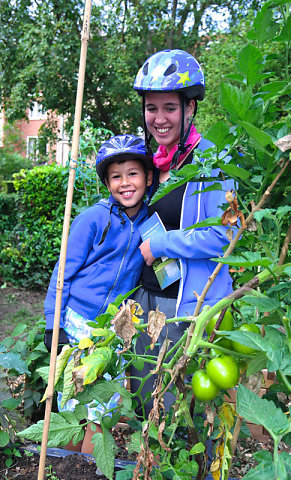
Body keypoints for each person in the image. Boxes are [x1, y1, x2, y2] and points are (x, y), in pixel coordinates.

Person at [129, 49, 234, 416]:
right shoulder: (150, 162)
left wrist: (162, 243)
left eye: (169, 108)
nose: (159, 118)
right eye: (151, 108)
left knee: (181, 413)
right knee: (147, 404)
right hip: (146, 300)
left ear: (190, 109)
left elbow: (224, 235)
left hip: (187, 306)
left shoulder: (212, 161)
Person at [43, 134, 153, 423]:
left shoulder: (150, 223)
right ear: (107, 184)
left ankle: (91, 468)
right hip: (78, 322)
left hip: (113, 327)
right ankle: (70, 464)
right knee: (75, 404)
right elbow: (62, 272)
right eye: (116, 177)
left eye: (133, 174)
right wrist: (53, 324)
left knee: (105, 407)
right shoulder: (92, 219)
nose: (125, 183)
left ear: (148, 177)